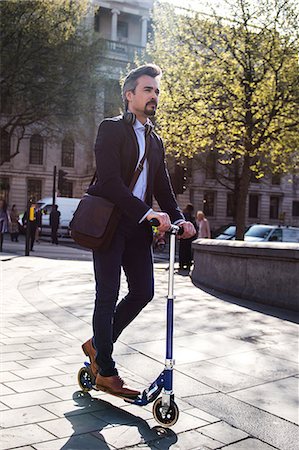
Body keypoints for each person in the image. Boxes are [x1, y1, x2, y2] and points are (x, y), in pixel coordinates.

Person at [82, 64, 196, 398]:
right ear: (129, 94)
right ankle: (105, 369)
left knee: (143, 291)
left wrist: (178, 218)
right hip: (109, 224)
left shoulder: (155, 140)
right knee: (107, 293)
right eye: (148, 90)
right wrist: (148, 213)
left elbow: (163, 186)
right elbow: (109, 182)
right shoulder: (111, 129)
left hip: (137, 229)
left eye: (157, 91)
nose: (154, 96)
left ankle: (97, 344)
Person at [178, 203, 198, 270]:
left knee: (182, 251)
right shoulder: (191, 217)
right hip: (190, 237)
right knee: (188, 252)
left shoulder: (183, 215)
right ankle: (188, 264)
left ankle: (181, 264)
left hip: (183, 236)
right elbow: (194, 228)